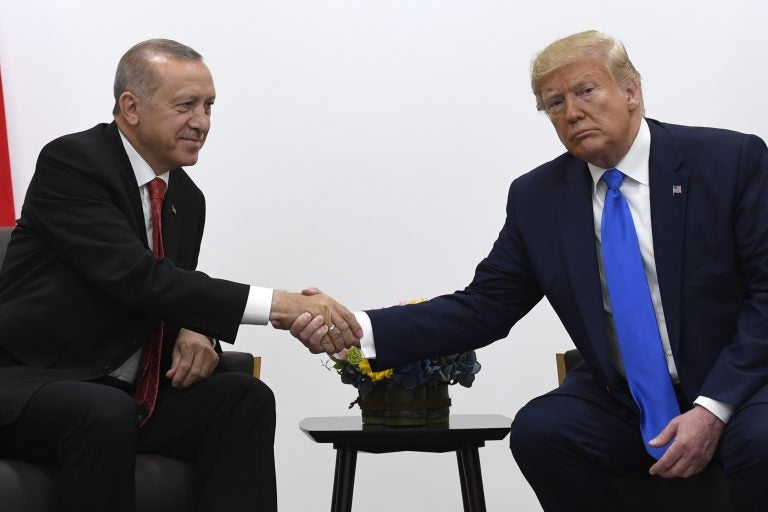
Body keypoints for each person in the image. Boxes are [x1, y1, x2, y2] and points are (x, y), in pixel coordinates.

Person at [292, 30, 768, 511]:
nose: (572, 112)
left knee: (761, 441)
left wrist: (711, 409)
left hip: (739, 389)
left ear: (631, 91)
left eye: (585, 91)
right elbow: (483, 308)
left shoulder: (729, 162)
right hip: (626, 400)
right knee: (543, 432)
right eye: (554, 103)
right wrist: (357, 327)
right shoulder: (539, 198)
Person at [0, 39, 361, 512]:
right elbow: (136, 277)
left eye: (209, 106)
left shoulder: (187, 199)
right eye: (186, 105)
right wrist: (282, 305)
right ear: (131, 107)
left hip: (123, 390)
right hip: (32, 381)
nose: (202, 122)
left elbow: (170, 292)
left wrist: (200, 328)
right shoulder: (73, 164)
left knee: (243, 398)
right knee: (103, 410)